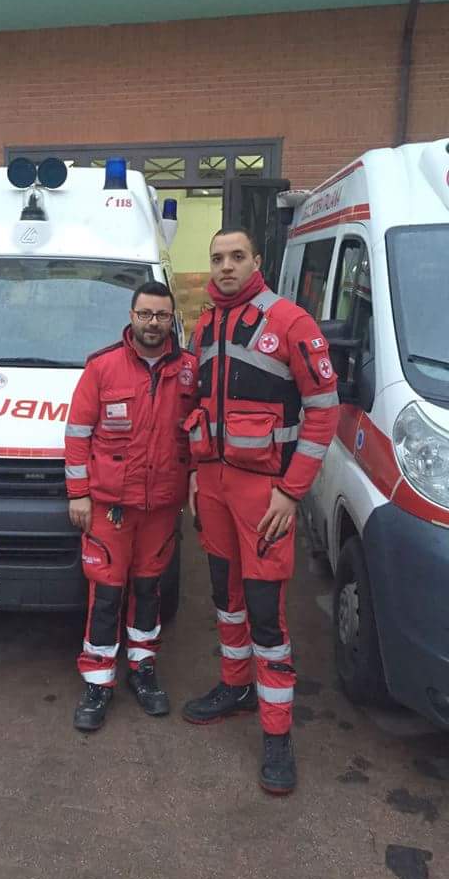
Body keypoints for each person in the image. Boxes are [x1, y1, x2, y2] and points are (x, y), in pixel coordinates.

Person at [183, 227, 339, 794]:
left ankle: (277, 732)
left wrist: (292, 491)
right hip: (214, 487)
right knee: (225, 597)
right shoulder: (204, 326)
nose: (225, 267)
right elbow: (198, 405)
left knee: (266, 613)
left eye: (236, 257)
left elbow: (324, 410)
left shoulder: (291, 322)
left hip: (266, 494)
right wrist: (196, 476)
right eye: (217, 258)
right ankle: (236, 686)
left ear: (256, 261)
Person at [65, 281, 197, 731]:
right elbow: (77, 434)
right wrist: (78, 493)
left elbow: (198, 434)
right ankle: (98, 682)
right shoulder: (102, 367)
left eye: (161, 315)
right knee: (105, 593)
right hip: (110, 507)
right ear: (132, 316)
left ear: (171, 319)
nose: (153, 323)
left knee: (148, 590)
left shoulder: (190, 371)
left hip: (161, 506)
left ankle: (143, 668)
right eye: (145, 314)